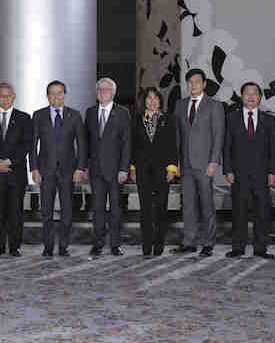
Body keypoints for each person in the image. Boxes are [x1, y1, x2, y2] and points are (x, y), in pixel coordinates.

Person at [30, 80, 87, 258]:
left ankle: (63, 246)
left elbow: (82, 145)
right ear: (47, 97)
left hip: (68, 171)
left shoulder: (75, 115)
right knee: (46, 211)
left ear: (64, 95)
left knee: (67, 211)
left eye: (59, 93)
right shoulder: (38, 115)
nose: (56, 97)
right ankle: (48, 247)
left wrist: (80, 168)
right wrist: (34, 169)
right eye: (52, 93)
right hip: (45, 170)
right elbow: (32, 144)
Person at [224, 82, 275, 259]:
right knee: (239, 211)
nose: (250, 97)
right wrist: (228, 170)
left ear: (259, 97)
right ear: (242, 97)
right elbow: (226, 146)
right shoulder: (231, 118)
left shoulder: (268, 120)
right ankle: (238, 247)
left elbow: (273, 149)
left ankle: (260, 248)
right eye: (247, 93)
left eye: (254, 93)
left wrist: (272, 171)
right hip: (238, 173)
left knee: (262, 211)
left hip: (261, 174)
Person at [174, 68, 225, 257]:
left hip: (205, 164)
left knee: (206, 205)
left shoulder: (214, 105)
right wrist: (175, 162)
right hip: (185, 164)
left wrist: (214, 162)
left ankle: (208, 243)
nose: (193, 85)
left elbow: (218, 135)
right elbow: (177, 136)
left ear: (204, 84)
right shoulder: (180, 105)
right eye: (190, 82)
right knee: (187, 204)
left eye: (197, 81)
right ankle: (189, 242)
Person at [0, 82, 32, 257]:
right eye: (2, 96)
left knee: (15, 212)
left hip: (15, 173)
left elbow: (26, 144)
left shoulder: (24, 118)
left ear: (14, 97)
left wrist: (10, 161)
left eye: (8, 96)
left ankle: (14, 247)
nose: (5, 99)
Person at [84, 77, 131, 256]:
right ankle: (98, 243)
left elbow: (126, 143)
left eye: (106, 89)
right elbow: (85, 142)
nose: (102, 92)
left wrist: (124, 168)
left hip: (116, 170)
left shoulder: (122, 113)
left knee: (116, 209)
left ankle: (115, 244)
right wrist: (84, 166)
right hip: (96, 170)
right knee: (97, 209)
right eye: (99, 89)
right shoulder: (90, 112)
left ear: (113, 93)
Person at [130, 87, 178, 257]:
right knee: (145, 209)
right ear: (144, 101)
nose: (152, 101)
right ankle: (146, 244)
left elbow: (173, 144)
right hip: (142, 169)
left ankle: (158, 245)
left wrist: (172, 168)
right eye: (149, 98)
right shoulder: (136, 119)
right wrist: (132, 168)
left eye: (155, 98)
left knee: (161, 208)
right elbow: (133, 146)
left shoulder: (168, 119)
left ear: (160, 100)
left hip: (162, 170)